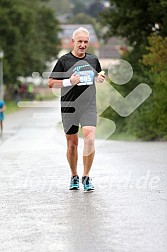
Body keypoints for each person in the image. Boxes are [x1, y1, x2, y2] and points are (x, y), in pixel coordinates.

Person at [48, 27, 105, 191]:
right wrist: (68, 82)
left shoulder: (93, 59)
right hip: (69, 106)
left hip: (88, 106)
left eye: (85, 42)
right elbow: (51, 83)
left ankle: (86, 177)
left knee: (90, 139)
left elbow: (97, 75)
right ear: (73, 42)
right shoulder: (64, 61)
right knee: (72, 144)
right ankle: (74, 176)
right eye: (79, 41)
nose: (82, 45)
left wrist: (100, 78)